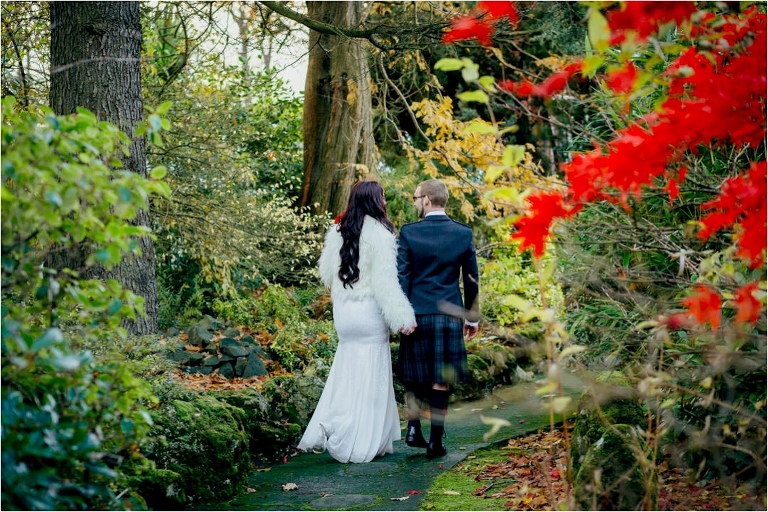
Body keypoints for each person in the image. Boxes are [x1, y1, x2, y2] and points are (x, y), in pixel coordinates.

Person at [297, 180, 417, 463]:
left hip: (345, 313)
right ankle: (361, 440)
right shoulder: (381, 234)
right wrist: (403, 317)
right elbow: (385, 284)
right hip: (369, 314)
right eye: (383, 197)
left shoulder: (337, 232)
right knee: (372, 374)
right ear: (376, 201)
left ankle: (338, 420)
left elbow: (326, 274)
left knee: (348, 370)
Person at [395, 178, 479, 459]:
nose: (416, 202)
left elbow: (401, 278)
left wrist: (403, 315)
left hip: (416, 314)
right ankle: (434, 442)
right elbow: (471, 279)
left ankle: (413, 428)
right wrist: (472, 317)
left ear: (427, 200)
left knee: (414, 373)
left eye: (417, 198)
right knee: (439, 379)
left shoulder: (408, 233)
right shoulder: (462, 233)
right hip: (448, 314)